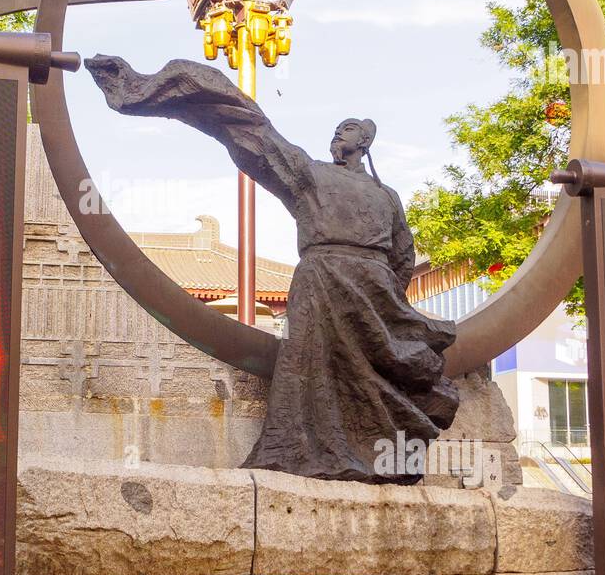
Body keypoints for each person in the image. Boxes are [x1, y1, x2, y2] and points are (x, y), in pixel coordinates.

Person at [86, 55, 459, 483]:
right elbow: (250, 128)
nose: (339, 131)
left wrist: (387, 299)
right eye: (338, 127)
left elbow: (403, 254)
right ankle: (301, 451)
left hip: (374, 291)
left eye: (350, 128)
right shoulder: (310, 174)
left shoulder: (387, 195)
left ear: (366, 142)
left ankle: (380, 454)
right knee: (308, 367)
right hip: (320, 280)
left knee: (374, 375)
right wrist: (154, 86)